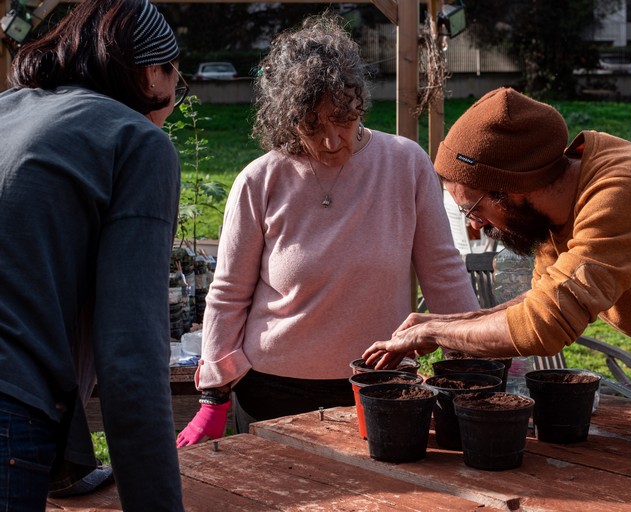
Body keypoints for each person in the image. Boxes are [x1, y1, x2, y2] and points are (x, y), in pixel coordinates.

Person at [362, 87, 631, 413]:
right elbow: (541, 300)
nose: (473, 224)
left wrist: (437, 330)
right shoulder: (562, 202)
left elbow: (545, 325)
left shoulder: (621, 194)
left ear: (514, 189)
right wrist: (446, 321)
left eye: (474, 207)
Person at [175, 14, 478, 446]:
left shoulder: (405, 164)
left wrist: (469, 366)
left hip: (382, 388)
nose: (332, 140)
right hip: (270, 392)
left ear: (359, 105)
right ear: (286, 119)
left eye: (342, 120)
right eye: (312, 126)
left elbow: (445, 273)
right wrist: (212, 397)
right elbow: (228, 294)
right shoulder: (260, 180)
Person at [0, 0, 186, 509]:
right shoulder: (135, 141)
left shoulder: (7, 111)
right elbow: (131, 356)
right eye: (177, 81)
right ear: (152, 74)